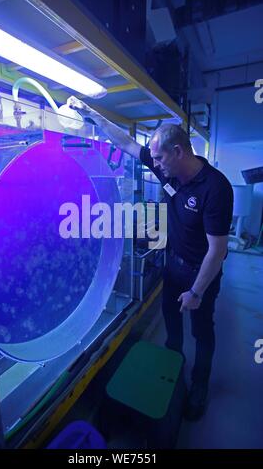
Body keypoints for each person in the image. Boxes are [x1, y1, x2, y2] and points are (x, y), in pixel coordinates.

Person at [67, 96, 234, 421]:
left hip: (202, 276)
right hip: (173, 268)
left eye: (158, 158)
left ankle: (199, 386)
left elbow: (218, 251)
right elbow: (128, 142)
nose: (153, 164)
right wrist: (90, 114)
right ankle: (173, 370)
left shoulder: (216, 188)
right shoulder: (167, 173)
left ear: (178, 152)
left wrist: (197, 293)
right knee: (173, 327)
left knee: (202, 331)